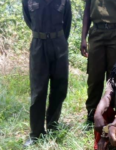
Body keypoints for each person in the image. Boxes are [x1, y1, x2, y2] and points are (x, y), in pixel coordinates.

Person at [22, 0, 72, 147]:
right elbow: (28, 19)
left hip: (59, 44)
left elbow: (67, 22)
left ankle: (52, 126)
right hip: (38, 45)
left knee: (60, 87)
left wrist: (59, 39)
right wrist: (42, 35)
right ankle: (36, 133)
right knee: (38, 91)